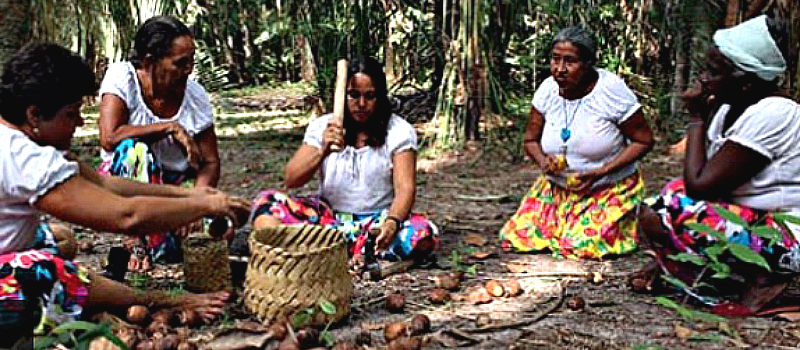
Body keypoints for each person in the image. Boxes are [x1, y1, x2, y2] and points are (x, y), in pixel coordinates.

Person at [0, 43, 250, 342]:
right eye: (72, 114)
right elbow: (126, 216)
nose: (80, 123)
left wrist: (191, 196)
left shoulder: (17, 137)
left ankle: (88, 298)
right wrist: (208, 207)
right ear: (35, 114)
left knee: (61, 240)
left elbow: (104, 185)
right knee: (41, 270)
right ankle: (154, 298)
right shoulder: (23, 156)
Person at [633, 15, 800, 317]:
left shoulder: (776, 113)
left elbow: (701, 186)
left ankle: (767, 277)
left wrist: (695, 118)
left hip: (788, 233)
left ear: (747, 81)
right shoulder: (728, 108)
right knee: (664, 201)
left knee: (676, 204)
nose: (705, 78)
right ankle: (703, 276)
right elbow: (699, 178)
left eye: (715, 71)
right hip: (754, 220)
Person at [250, 56, 438, 267]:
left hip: (377, 222)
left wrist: (392, 223)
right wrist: (322, 149)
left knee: (422, 233)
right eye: (353, 95)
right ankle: (345, 250)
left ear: (381, 97)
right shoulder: (322, 127)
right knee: (266, 204)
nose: (361, 104)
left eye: (370, 96)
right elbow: (292, 179)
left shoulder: (399, 132)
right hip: (328, 221)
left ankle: (332, 251)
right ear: (343, 96)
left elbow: (405, 189)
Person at [499, 27, 654, 259]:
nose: (559, 69)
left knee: (580, 246)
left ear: (589, 63)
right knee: (516, 238)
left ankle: (618, 221)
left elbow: (644, 141)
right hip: (557, 188)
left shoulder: (611, 91)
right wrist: (544, 163)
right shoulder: (547, 90)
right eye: (555, 59)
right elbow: (530, 140)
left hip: (607, 187)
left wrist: (601, 172)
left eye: (570, 61)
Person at [97, 16, 221, 271]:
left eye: (191, 60)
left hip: (176, 188)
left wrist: (194, 203)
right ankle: (136, 237)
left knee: (218, 230)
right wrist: (168, 127)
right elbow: (110, 138)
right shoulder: (123, 79)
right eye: (180, 63)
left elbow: (210, 161)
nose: (189, 69)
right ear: (150, 61)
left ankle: (165, 236)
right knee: (134, 151)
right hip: (127, 185)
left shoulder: (195, 94)